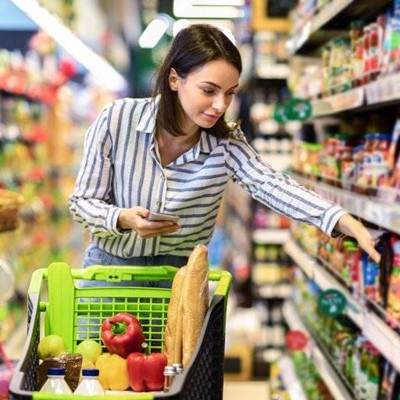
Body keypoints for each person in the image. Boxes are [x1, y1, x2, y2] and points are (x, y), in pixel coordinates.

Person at [68, 23, 381, 274]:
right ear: (175, 79)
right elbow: (82, 203)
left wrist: (340, 219)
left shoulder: (226, 143)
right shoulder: (118, 119)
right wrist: (123, 218)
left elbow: (272, 185)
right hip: (110, 273)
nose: (221, 105)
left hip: (181, 283)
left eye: (230, 93)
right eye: (209, 90)